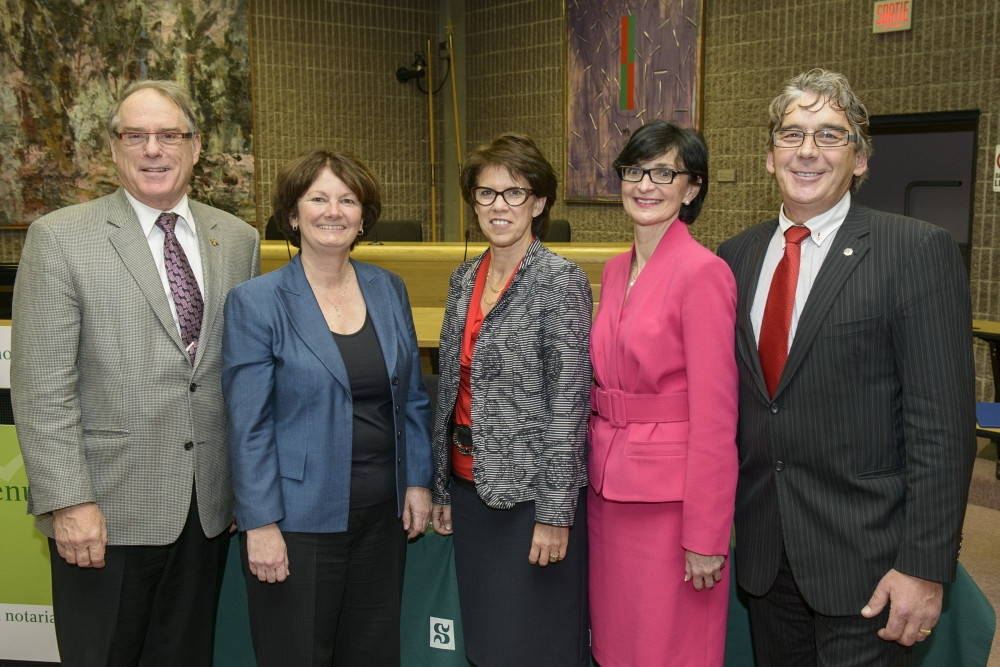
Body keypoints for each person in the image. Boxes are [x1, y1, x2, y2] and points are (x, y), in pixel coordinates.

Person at [717, 68, 976, 664]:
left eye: (830, 135)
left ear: (860, 159)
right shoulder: (736, 257)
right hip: (766, 558)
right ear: (768, 156)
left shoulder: (915, 251)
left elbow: (941, 429)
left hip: (871, 566)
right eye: (792, 134)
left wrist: (924, 567)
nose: (808, 150)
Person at [10, 79, 260, 665]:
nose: (154, 149)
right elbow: (42, 387)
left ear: (195, 146)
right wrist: (69, 502)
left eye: (169, 135)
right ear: (115, 148)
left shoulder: (238, 241)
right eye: (136, 135)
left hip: (206, 511)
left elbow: (239, 378)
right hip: (105, 513)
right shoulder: (60, 238)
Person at [221, 148, 433, 665]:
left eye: (347, 199)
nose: (332, 211)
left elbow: (412, 398)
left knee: (372, 655)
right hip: (297, 523)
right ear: (293, 215)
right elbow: (247, 424)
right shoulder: (258, 301)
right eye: (317, 198)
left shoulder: (388, 289)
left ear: (363, 216)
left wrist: (419, 482)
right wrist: (261, 524)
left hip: (383, 520)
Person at [429, 133, 592, 666]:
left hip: (529, 501)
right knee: (486, 642)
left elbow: (569, 405)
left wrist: (554, 512)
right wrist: (443, 489)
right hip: (470, 491)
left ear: (539, 202)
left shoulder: (560, 281)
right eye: (486, 193)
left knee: (532, 645)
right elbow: (451, 390)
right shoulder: (462, 279)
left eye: (515, 193)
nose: (499, 206)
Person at [587, 120, 738, 666]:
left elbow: (717, 416)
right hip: (607, 490)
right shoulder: (611, 270)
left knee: (667, 649)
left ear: (691, 188)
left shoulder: (704, 273)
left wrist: (706, 534)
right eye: (634, 170)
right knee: (616, 645)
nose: (644, 185)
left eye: (662, 173)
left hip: (671, 507)